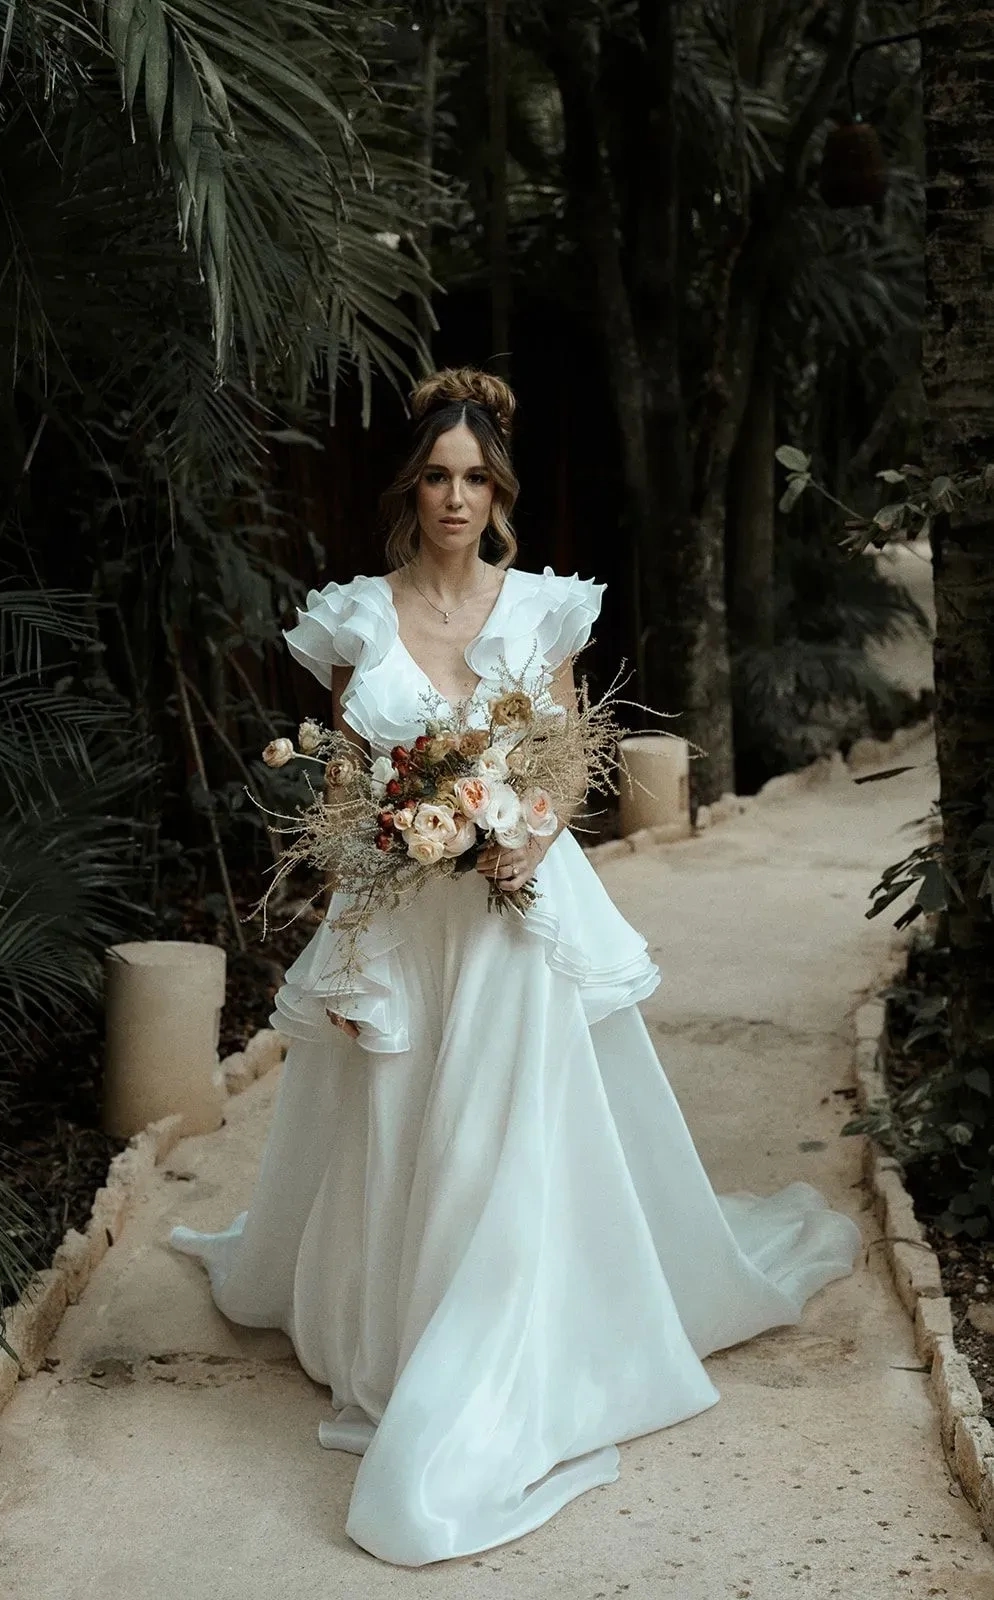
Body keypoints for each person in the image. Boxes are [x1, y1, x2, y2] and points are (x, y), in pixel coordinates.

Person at [169, 366, 862, 1568]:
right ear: (412, 488)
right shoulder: (357, 617)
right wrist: (388, 832)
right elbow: (341, 778)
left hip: (507, 910)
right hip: (397, 917)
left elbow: (554, 765)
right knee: (398, 1123)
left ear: (498, 492)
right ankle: (398, 1329)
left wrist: (510, 839)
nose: (452, 496)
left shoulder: (541, 610)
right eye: (435, 476)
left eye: (472, 477)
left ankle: (485, 1348)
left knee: (492, 1136)